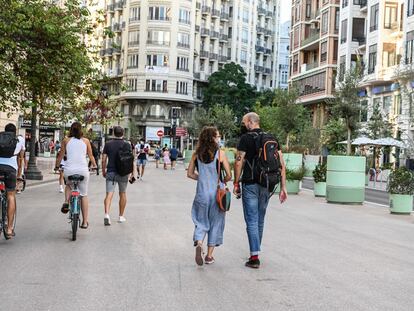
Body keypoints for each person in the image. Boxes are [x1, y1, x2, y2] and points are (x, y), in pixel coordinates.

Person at [233, 112, 287, 269]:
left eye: (244, 123)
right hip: (267, 183)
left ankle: (254, 256)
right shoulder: (272, 138)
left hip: (250, 183)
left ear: (250, 122)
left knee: (251, 219)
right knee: (260, 219)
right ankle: (255, 250)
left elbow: (238, 162)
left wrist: (236, 182)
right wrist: (283, 187)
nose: (244, 126)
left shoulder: (246, 138)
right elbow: (281, 164)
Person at [187, 126, 231, 266]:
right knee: (216, 223)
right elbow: (229, 176)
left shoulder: (196, 154)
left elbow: (189, 174)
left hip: (201, 194)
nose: (219, 138)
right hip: (218, 195)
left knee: (200, 221)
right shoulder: (220, 154)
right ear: (212, 138)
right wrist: (222, 180)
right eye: (217, 136)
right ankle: (209, 256)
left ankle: (199, 242)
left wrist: (201, 179)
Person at [55, 122, 96, 229]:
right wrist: (95, 165)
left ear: (71, 130)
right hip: (83, 170)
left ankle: (66, 202)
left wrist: (56, 166)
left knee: (68, 185)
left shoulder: (66, 140)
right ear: (81, 130)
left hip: (69, 170)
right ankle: (85, 222)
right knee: (83, 195)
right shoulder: (86, 141)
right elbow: (91, 155)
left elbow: (61, 155)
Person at [101, 126, 134, 225]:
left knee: (109, 194)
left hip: (111, 172)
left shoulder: (108, 144)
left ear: (113, 133)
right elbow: (131, 159)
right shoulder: (127, 144)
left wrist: (103, 170)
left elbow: (103, 159)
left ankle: (107, 214)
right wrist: (132, 173)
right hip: (123, 173)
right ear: (123, 133)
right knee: (122, 193)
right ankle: (121, 216)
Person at [0, 123, 25, 238]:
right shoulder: (19, 139)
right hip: (10, 169)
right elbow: (21, 158)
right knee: (10, 195)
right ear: (15, 132)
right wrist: (20, 174)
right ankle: (9, 229)